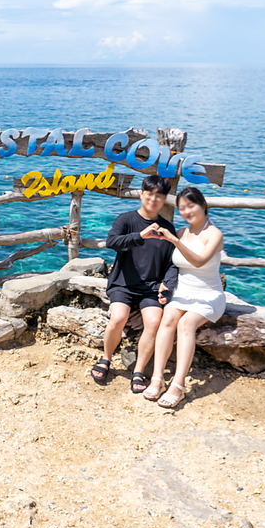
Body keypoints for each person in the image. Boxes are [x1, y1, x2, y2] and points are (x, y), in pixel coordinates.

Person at [92, 175, 178, 393]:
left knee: (153, 322)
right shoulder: (126, 220)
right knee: (118, 318)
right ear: (141, 194)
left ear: (164, 199)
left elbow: (172, 263)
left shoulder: (167, 228)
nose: (153, 200)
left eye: (159, 196)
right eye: (149, 194)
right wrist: (141, 235)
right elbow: (112, 242)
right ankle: (106, 358)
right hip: (123, 284)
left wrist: (166, 285)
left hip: (150, 288)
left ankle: (138, 370)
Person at [143, 187, 225, 408]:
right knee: (168, 319)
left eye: (191, 205)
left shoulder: (214, 234)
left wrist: (175, 242)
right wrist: (164, 284)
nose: (187, 211)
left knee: (186, 324)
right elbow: (171, 265)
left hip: (209, 295)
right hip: (182, 292)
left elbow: (199, 261)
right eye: (181, 208)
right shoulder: (181, 232)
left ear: (203, 205)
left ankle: (178, 385)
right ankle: (157, 378)